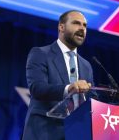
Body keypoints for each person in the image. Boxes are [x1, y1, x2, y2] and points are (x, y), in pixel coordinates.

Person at [22, 10, 96, 140]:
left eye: (85, 25)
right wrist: (69, 89)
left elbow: (92, 99)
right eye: (76, 23)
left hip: (76, 133)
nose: (82, 29)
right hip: (44, 133)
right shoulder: (40, 54)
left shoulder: (86, 65)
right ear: (61, 27)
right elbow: (37, 88)